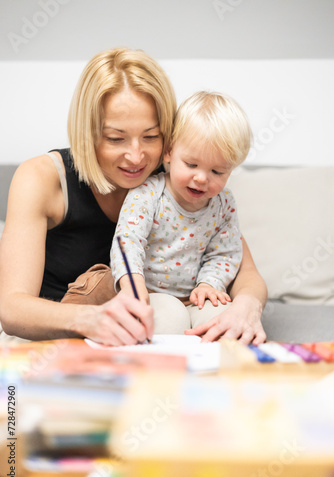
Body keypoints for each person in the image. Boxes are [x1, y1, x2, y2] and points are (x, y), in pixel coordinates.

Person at [0, 47, 267, 346]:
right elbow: (12, 309)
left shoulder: (176, 179)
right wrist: (92, 318)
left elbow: (245, 271)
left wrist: (247, 307)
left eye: (151, 136)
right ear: (87, 133)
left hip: (131, 344)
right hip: (48, 339)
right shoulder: (41, 178)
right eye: (116, 138)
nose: (137, 157)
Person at [111, 91, 249, 337]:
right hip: (150, 293)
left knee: (223, 322)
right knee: (168, 322)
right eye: (192, 165)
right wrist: (132, 284)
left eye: (217, 171)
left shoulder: (223, 204)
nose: (202, 178)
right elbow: (127, 240)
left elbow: (225, 253)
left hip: (197, 294)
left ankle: (213, 371)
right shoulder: (148, 193)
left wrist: (210, 284)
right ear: (170, 152)